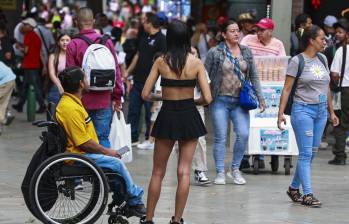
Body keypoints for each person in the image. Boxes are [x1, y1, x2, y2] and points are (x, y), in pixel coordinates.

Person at [140, 20, 212, 224]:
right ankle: (177, 219)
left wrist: (163, 97)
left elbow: (145, 94)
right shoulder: (196, 63)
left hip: (167, 116)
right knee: (184, 171)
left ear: (169, 38)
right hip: (189, 115)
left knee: (158, 171)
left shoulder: (161, 61)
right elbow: (207, 98)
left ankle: (149, 218)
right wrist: (193, 100)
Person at [55, 66, 146, 217]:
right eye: (85, 78)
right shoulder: (70, 108)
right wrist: (108, 152)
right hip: (77, 157)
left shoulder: (72, 102)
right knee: (116, 163)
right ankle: (135, 202)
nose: (87, 80)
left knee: (113, 164)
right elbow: (83, 143)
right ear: (81, 84)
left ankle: (121, 200)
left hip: (81, 153)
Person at [277, 25, 339, 207]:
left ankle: (294, 188)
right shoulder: (297, 61)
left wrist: (331, 111)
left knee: (311, 153)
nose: (325, 41)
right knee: (305, 154)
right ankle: (308, 194)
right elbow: (287, 88)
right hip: (303, 110)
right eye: (321, 38)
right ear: (311, 40)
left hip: (320, 112)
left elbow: (326, 86)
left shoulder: (322, 58)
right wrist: (280, 113)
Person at [205, 20, 265, 185]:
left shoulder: (246, 51)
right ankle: (219, 172)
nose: (237, 33)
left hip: (240, 101)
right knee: (220, 138)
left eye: (238, 31)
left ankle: (235, 169)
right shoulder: (215, 52)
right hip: (220, 100)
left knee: (243, 134)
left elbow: (253, 76)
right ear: (224, 34)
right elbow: (204, 75)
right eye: (232, 31)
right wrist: (204, 96)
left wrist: (260, 98)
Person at [66, 7, 123, 148]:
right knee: (102, 139)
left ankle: (88, 169)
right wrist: (117, 96)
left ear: (76, 22)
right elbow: (116, 70)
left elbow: (69, 76)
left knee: (84, 142)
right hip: (104, 101)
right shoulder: (106, 42)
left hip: (82, 102)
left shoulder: (73, 44)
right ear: (93, 21)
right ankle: (105, 169)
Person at [240, 18, 285, 169]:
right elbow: (240, 58)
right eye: (257, 29)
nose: (258, 32)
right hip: (249, 87)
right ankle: (245, 155)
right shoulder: (247, 40)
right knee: (248, 120)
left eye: (262, 30)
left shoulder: (278, 45)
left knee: (264, 121)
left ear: (270, 31)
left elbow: (281, 66)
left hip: (270, 88)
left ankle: (260, 152)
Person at [125, 12, 166, 146]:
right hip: (138, 80)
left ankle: (150, 139)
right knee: (133, 110)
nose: (143, 23)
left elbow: (164, 61)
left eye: (144, 21)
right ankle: (133, 137)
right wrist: (127, 71)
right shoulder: (144, 37)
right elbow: (137, 55)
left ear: (150, 23)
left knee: (150, 112)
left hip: (152, 83)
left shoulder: (162, 39)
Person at [12, 17, 46, 114]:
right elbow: (38, 52)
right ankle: (20, 105)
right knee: (26, 86)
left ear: (30, 26)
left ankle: (42, 105)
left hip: (29, 65)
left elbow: (26, 51)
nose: (23, 26)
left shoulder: (28, 35)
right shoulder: (36, 37)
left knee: (34, 86)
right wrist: (44, 66)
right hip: (34, 65)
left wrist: (19, 47)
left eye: (25, 25)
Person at [328, 20, 349, 165]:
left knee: (341, 124)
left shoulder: (342, 50)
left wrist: (335, 84)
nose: (337, 34)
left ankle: (340, 156)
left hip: (345, 90)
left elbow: (334, 74)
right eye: (336, 32)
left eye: (340, 32)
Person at [47, 32, 71, 105]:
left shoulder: (73, 56)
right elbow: (51, 73)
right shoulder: (53, 56)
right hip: (57, 86)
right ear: (58, 43)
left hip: (71, 88)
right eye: (62, 40)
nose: (65, 42)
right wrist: (59, 85)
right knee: (54, 112)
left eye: (67, 40)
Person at [0, 61, 16, 135]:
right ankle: (3, 119)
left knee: (2, 103)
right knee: (2, 103)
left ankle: (3, 119)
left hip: (6, 81)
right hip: (11, 78)